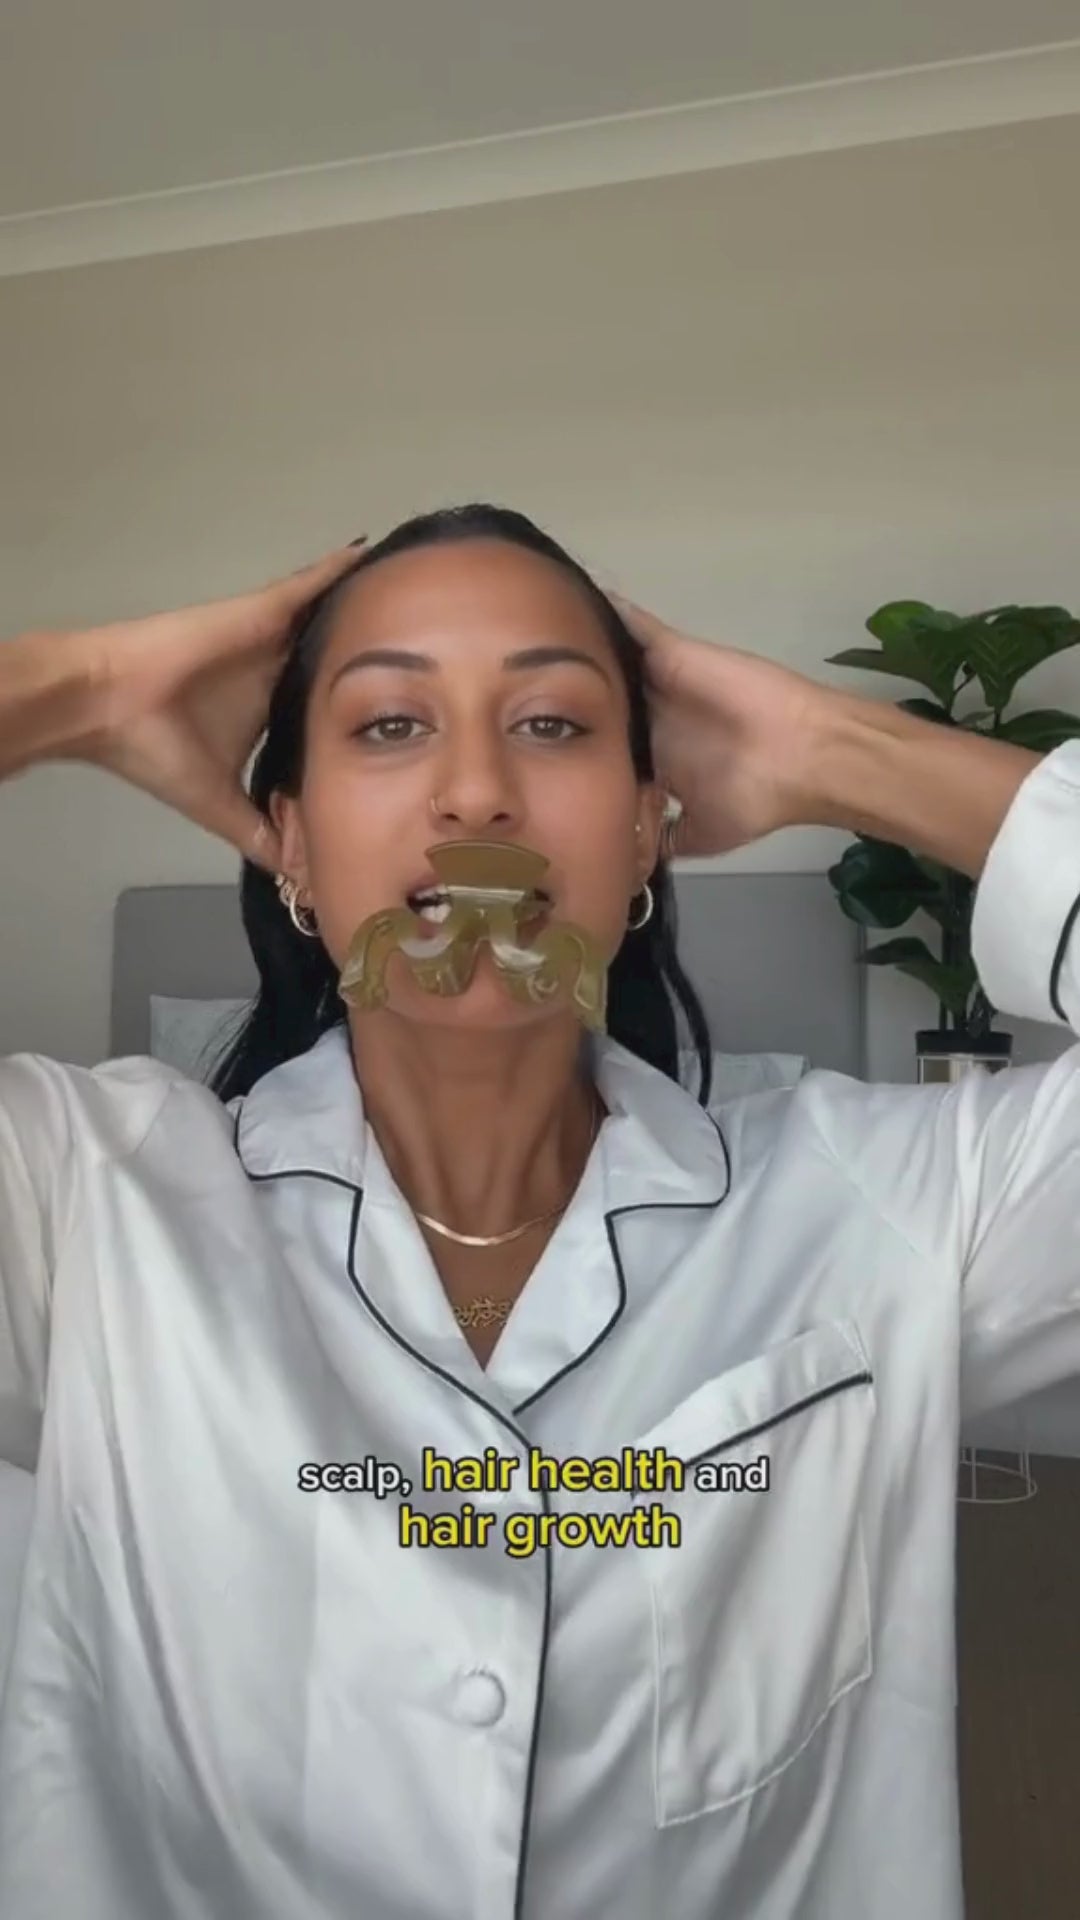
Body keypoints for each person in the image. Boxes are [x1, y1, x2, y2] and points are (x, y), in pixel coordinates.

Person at [0, 502, 1076, 1920]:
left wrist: (836, 749)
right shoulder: (80, 1204)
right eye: (388, 726)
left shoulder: (890, 1208)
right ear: (293, 850)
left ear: (647, 836)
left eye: (556, 725)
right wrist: (75, 693)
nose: (475, 795)